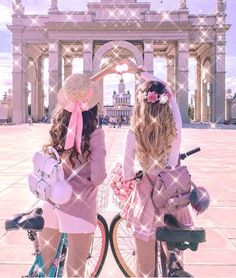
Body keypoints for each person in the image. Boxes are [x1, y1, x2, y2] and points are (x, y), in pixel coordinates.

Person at [39, 63, 118, 277]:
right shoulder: (95, 133)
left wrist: (104, 72)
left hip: (51, 205)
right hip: (79, 209)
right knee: (75, 272)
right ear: (93, 104)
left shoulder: (58, 127)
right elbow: (98, 177)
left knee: (45, 270)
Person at [120, 62, 193, 277]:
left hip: (146, 202)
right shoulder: (174, 130)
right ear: (166, 102)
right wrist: (146, 74)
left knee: (145, 270)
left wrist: (137, 173)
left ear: (141, 105)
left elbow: (127, 174)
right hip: (174, 198)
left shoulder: (133, 134)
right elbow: (168, 88)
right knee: (175, 259)